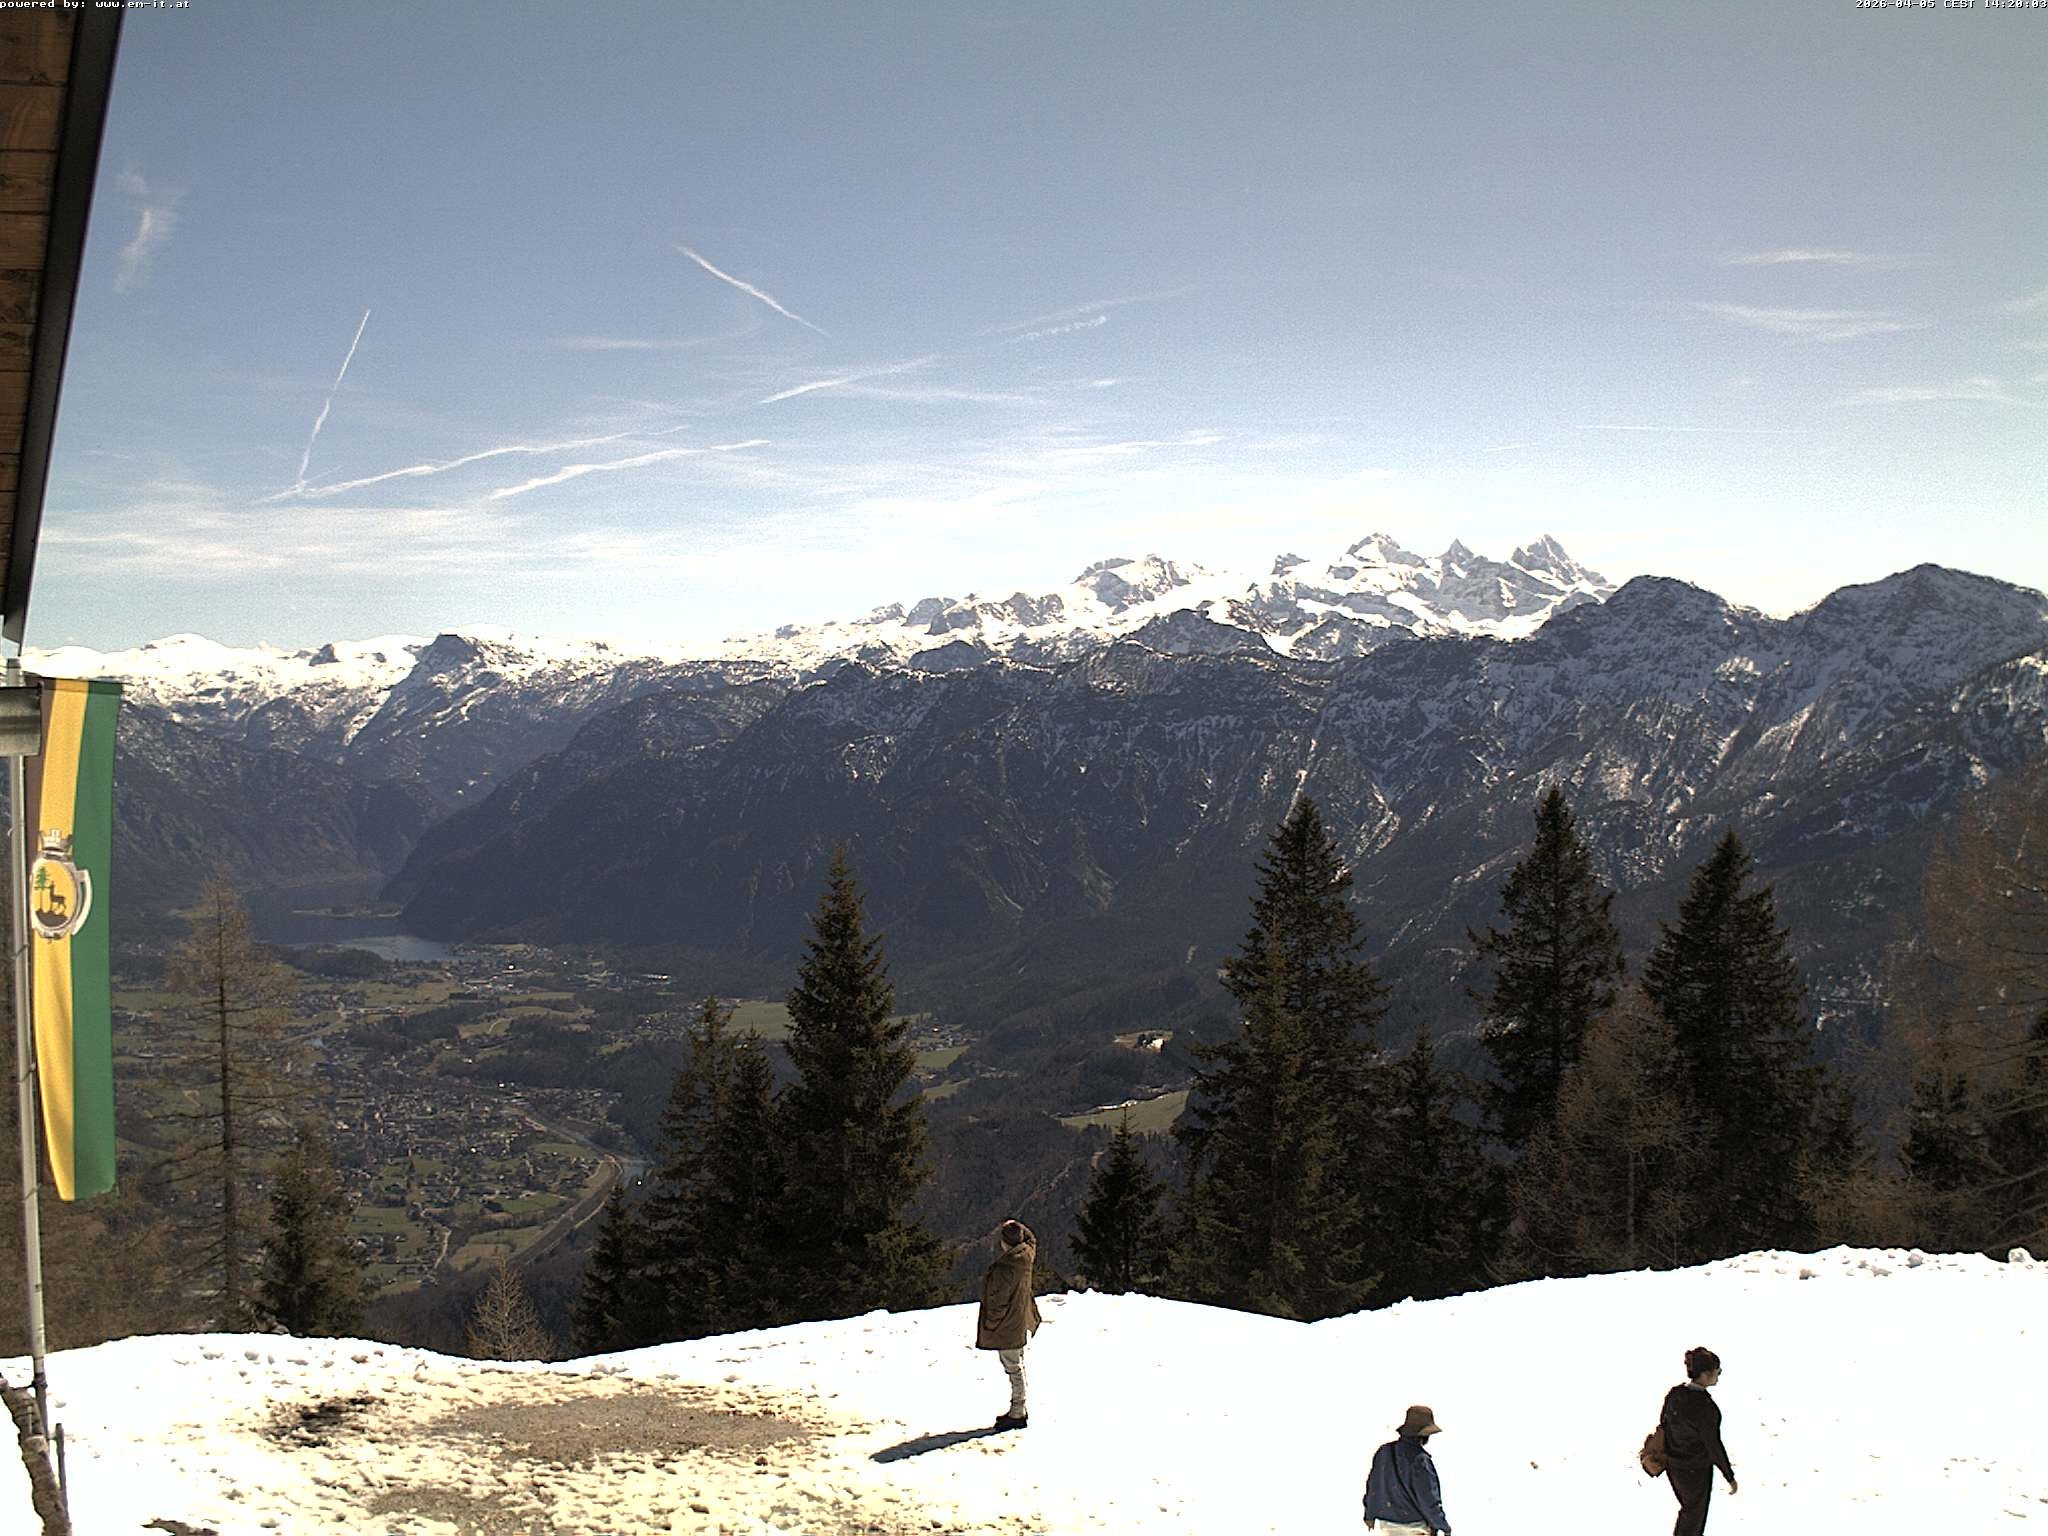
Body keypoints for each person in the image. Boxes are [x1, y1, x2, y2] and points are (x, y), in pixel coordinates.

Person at [1659, 1346, 1737, 1536]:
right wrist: (1729, 1475)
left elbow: (1664, 1425)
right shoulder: (1706, 1407)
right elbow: (1713, 1445)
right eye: (1717, 1371)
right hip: (1695, 1470)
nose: (1718, 1375)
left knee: (1688, 1512)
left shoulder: (1675, 1394)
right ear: (1706, 1374)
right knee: (1694, 1517)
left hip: (1673, 1466)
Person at [975, 1218, 1042, 1429]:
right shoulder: (1026, 1256)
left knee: (1013, 1367)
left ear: (1004, 1242)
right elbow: (1032, 1239)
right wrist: (1018, 1226)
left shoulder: (1004, 1269)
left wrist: (991, 1325)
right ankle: (1018, 1409)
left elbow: (997, 1303)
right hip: (1020, 1318)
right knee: (1017, 1364)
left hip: (1007, 1325)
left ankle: (1017, 1412)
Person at [1362, 1404, 1451, 1535]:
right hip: (1415, 1527)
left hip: (1387, 1526)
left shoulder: (1383, 1452)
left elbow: (1373, 1487)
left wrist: (1369, 1514)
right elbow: (1428, 1498)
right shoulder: (1420, 1460)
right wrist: (1443, 1526)